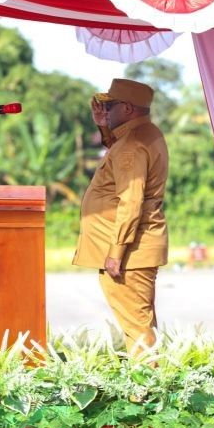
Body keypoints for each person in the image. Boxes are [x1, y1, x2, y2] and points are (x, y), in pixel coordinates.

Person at [73, 78, 169, 354]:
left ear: (126, 108)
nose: (105, 110)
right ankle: (150, 390)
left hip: (129, 254)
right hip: (135, 249)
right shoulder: (145, 133)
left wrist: (116, 251)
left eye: (110, 105)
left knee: (137, 331)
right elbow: (119, 150)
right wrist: (104, 124)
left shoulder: (132, 145)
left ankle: (145, 394)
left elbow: (131, 200)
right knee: (142, 326)